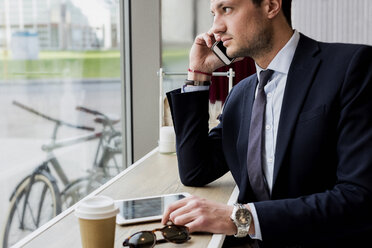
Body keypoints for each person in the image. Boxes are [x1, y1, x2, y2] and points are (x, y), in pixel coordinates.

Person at [162, 0, 372, 247]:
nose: (215, 27)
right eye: (213, 14)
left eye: (226, 9)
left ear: (271, 6)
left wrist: (239, 218)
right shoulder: (241, 94)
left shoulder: (351, 66)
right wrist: (198, 74)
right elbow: (196, 170)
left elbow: (361, 197)